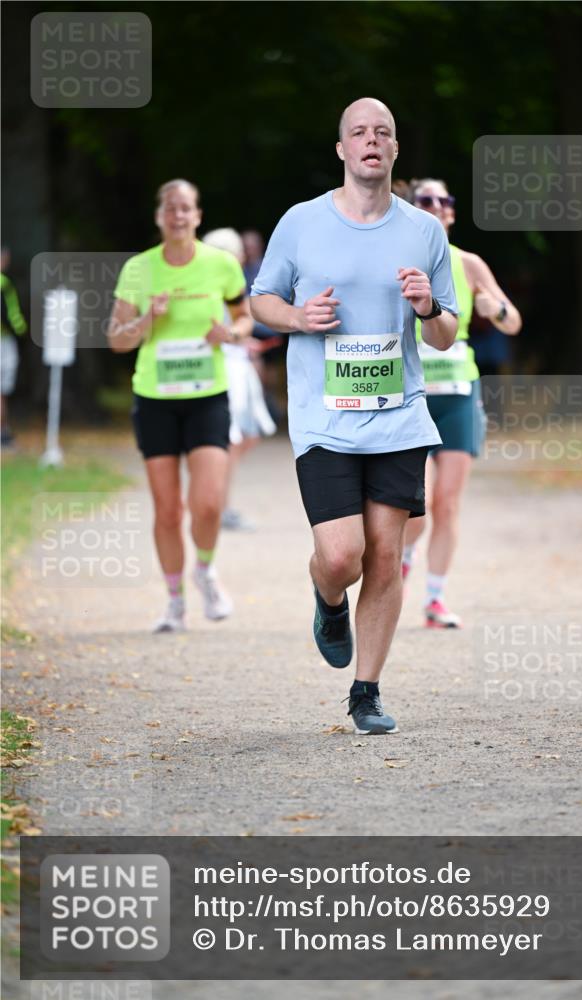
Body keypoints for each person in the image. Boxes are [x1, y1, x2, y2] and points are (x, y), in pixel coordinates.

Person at [250, 98, 459, 734]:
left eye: (383, 133)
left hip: (397, 415)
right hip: (325, 417)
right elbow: (261, 299)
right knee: (343, 556)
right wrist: (297, 317)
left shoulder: (424, 232)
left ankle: (366, 691)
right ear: (341, 149)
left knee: (386, 554)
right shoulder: (302, 222)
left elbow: (447, 334)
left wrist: (427, 308)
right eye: (359, 133)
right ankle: (328, 596)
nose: (372, 141)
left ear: (395, 152)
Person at [107, 179, 252, 632]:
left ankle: (204, 571)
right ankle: (174, 600)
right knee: (168, 510)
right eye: (170, 208)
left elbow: (246, 319)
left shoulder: (222, 265)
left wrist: (229, 334)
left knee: (207, 504)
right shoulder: (139, 269)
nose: (178, 216)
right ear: (158, 217)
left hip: (207, 395)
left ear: (198, 215)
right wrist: (147, 319)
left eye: (186, 208)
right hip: (155, 398)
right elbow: (115, 339)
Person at [401, 178, 522, 627]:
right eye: (427, 200)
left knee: (448, 503)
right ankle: (404, 559)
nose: (437, 206)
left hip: (457, 393)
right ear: (412, 209)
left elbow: (513, 323)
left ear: (451, 212)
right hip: (409, 395)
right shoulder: (397, 261)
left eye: (444, 200)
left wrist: (496, 310)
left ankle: (434, 599)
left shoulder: (468, 263)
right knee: (417, 504)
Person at [202, 227, 277, 531]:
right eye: (238, 252)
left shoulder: (230, 286)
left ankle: (217, 504)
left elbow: (236, 328)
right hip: (226, 370)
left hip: (237, 364)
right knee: (229, 443)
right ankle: (217, 507)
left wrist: (242, 341)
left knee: (244, 438)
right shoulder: (213, 287)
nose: (243, 257)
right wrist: (236, 339)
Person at [1, 247, 27, 448]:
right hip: (4, 342)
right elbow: (11, 315)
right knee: (2, 390)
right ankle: (2, 431)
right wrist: (22, 331)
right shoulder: (4, 283)